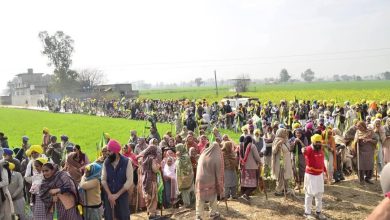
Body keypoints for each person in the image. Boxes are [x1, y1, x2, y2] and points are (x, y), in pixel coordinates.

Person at [101, 140, 133, 220]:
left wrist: (117, 195)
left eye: (109, 151)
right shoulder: (106, 162)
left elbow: (129, 181)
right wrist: (109, 195)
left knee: (124, 216)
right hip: (109, 197)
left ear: (115, 151)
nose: (107, 153)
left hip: (122, 196)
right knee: (109, 217)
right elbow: (103, 180)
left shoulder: (127, 162)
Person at [195, 142, 224, 220]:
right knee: (213, 196)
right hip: (210, 179)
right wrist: (220, 184)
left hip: (199, 178)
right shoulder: (216, 157)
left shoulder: (204, 153)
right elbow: (218, 172)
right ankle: (213, 213)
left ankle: (198, 215)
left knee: (200, 197)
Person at [302, 134, 328, 220]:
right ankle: (307, 213)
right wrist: (303, 150)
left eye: (319, 142)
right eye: (316, 142)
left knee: (319, 194)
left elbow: (322, 162)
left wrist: (325, 172)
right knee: (309, 194)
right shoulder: (309, 149)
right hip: (310, 175)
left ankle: (318, 212)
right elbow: (305, 152)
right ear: (313, 142)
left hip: (319, 175)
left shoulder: (320, 149)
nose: (318, 144)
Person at [139, 139, 160, 219]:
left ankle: (150, 211)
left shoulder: (144, 158)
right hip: (151, 179)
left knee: (148, 195)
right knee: (153, 196)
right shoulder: (152, 159)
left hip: (145, 179)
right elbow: (155, 169)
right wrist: (158, 166)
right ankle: (152, 214)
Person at [272, 128, 293, 196]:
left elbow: (289, 149)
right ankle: (278, 190)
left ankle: (285, 188)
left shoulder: (286, 140)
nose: (285, 134)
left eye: (286, 133)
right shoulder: (276, 140)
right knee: (281, 175)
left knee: (286, 174)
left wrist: (292, 145)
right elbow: (274, 151)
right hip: (280, 160)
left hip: (287, 159)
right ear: (280, 133)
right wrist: (278, 144)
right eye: (284, 133)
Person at [175, 143, 194, 208]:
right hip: (185, 176)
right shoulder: (183, 156)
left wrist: (178, 157)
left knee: (185, 190)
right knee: (187, 190)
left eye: (177, 149)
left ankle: (187, 204)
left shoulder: (184, 157)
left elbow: (181, 165)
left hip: (185, 177)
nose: (176, 151)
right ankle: (190, 203)